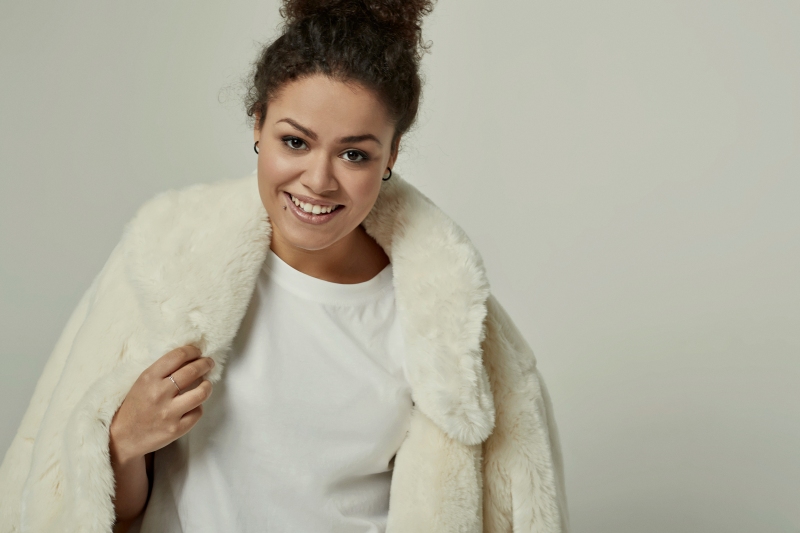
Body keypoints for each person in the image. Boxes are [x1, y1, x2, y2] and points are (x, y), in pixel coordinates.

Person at [0, 1, 569, 532]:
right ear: (258, 125)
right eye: (296, 142)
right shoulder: (166, 262)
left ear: (391, 156)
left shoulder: (445, 320)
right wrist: (123, 443)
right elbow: (90, 507)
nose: (318, 180)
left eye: (354, 154)